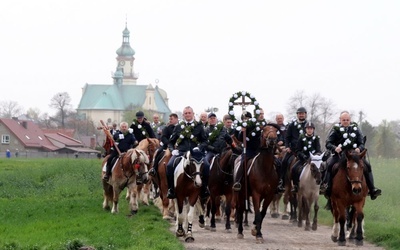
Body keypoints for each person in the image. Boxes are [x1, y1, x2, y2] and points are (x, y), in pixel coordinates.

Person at [321, 111, 381, 207]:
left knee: (367, 166)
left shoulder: (356, 129)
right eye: (343, 120)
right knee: (329, 165)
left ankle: (372, 189)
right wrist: (335, 148)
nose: (345, 121)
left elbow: (361, 142)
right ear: (340, 120)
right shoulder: (335, 129)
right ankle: (327, 188)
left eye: (347, 120)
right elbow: (328, 143)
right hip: (340, 155)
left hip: (354, 155)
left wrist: (359, 149)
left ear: (350, 120)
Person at [166, 106, 209, 199]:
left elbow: (205, 141)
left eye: (189, 113)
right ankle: (171, 189)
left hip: (196, 153)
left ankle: (204, 189)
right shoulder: (178, 127)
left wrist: (199, 147)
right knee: (169, 166)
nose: (188, 115)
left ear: (193, 114)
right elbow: (171, 142)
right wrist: (172, 150)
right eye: (186, 113)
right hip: (181, 152)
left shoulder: (199, 126)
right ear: (183, 115)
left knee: (206, 165)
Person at [279, 107, 308, 191]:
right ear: (297, 114)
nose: (301, 115)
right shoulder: (292, 125)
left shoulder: (308, 125)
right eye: (299, 113)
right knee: (284, 161)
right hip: (293, 150)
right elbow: (287, 138)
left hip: (305, 150)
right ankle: (282, 182)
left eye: (302, 113)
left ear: (305, 114)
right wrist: (287, 147)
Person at [232, 111, 260, 191]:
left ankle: (278, 182)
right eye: (244, 119)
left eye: (248, 118)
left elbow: (258, 137)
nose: (246, 120)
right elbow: (239, 138)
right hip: (248, 150)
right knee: (242, 162)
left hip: (258, 149)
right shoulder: (241, 128)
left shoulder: (255, 126)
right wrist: (243, 131)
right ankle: (237, 182)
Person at [291, 122, 322, 193]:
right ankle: (295, 185)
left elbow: (318, 149)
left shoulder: (316, 138)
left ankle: (322, 184)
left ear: (313, 130)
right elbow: (298, 150)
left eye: (311, 129)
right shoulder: (301, 137)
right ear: (305, 129)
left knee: (323, 167)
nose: (309, 130)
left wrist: (317, 155)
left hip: (314, 160)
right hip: (303, 159)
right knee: (294, 168)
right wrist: (303, 156)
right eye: (308, 128)